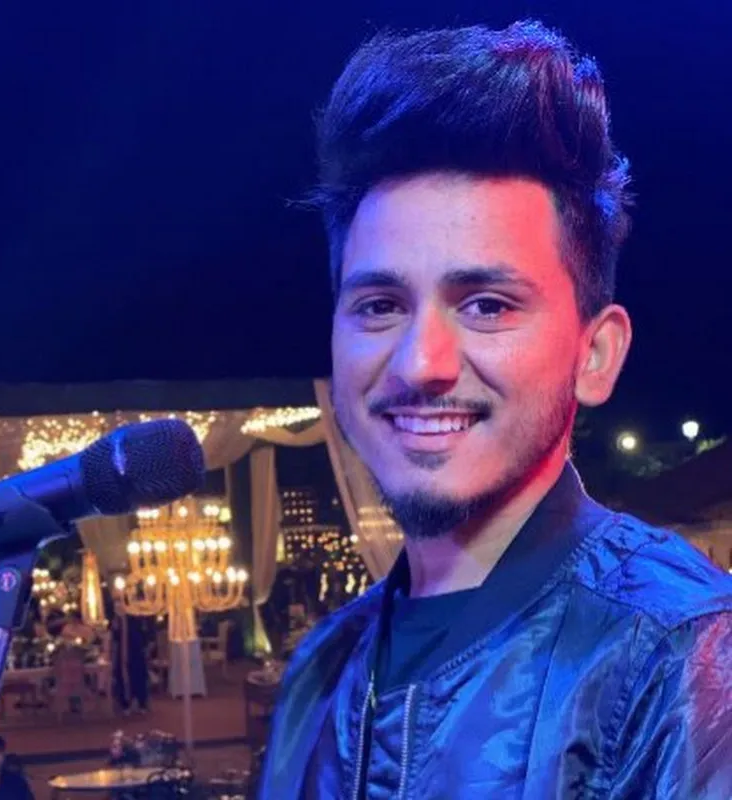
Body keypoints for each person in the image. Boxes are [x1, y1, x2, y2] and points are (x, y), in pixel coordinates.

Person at [260, 20, 732, 799]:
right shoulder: (319, 673)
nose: (420, 363)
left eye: (486, 305)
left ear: (595, 354)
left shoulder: (684, 663)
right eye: (380, 306)